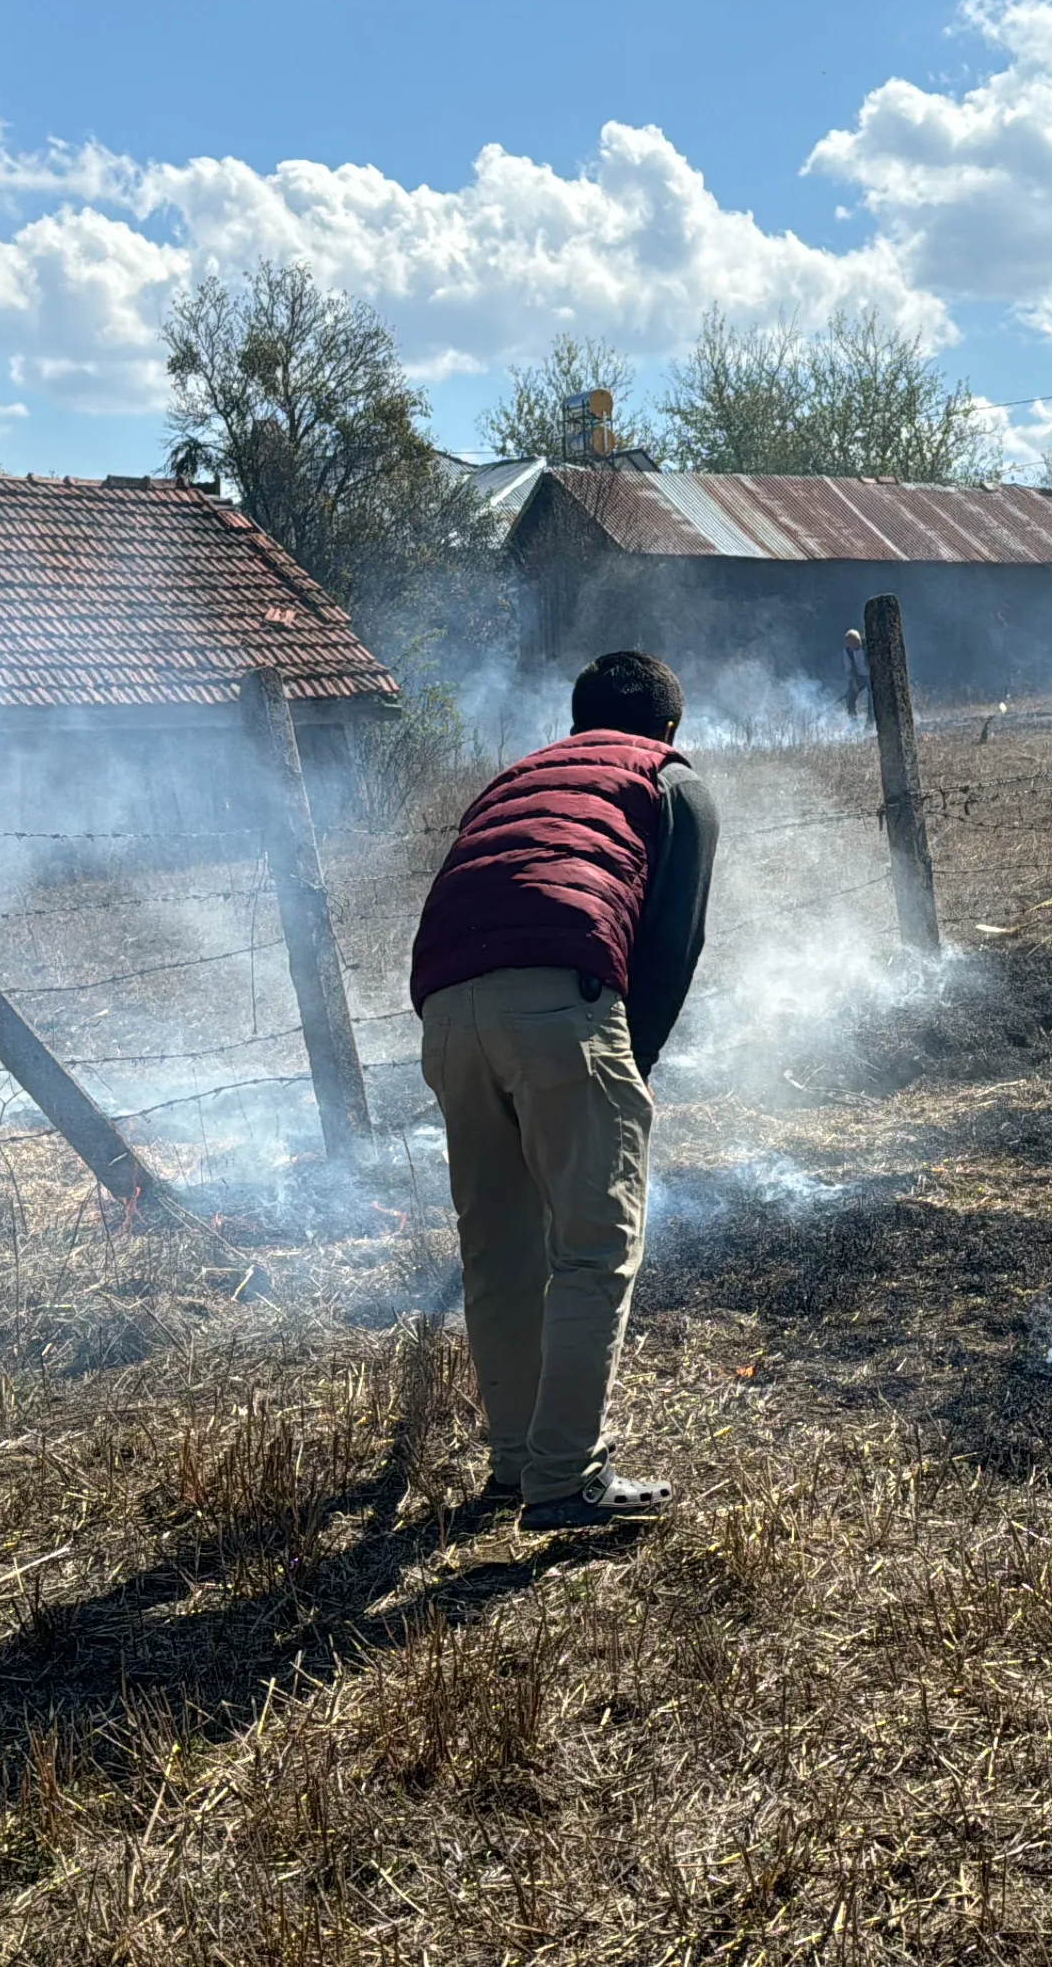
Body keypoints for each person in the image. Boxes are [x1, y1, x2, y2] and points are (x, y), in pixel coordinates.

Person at [408, 651, 719, 1529]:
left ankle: (513, 1463)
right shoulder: (668, 781)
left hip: (444, 1012)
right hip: (560, 1003)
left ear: (578, 721)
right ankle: (565, 1479)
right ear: (667, 729)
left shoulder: (517, 777)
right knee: (592, 1248)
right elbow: (673, 944)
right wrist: (631, 1067)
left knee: (500, 1249)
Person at [840, 627, 869, 721]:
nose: (851, 645)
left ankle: (870, 721)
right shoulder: (847, 651)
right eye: (849, 643)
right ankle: (853, 722)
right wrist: (854, 684)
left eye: (853, 642)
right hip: (858, 677)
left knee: (872, 699)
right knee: (849, 698)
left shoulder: (867, 647)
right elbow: (849, 669)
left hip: (870, 676)